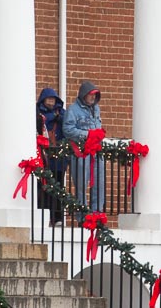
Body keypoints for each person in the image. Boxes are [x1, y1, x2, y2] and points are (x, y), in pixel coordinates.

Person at [62, 81, 104, 224]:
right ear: (84, 95)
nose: (93, 98)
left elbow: (98, 125)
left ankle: (96, 214)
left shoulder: (96, 109)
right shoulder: (73, 110)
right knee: (81, 184)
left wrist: (98, 135)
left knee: (99, 183)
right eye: (91, 95)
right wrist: (88, 135)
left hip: (97, 152)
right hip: (81, 152)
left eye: (95, 95)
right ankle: (83, 216)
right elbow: (68, 130)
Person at [36, 87, 67, 227]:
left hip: (58, 159)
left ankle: (58, 217)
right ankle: (43, 216)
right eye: (49, 98)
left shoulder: (62, 113)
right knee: (43, 188)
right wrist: (51, 118)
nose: (51, 101)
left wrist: (59, 117)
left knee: (58, 188)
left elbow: (67, 124)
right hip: (43, 156)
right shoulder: (38, 113)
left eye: (53, 99)